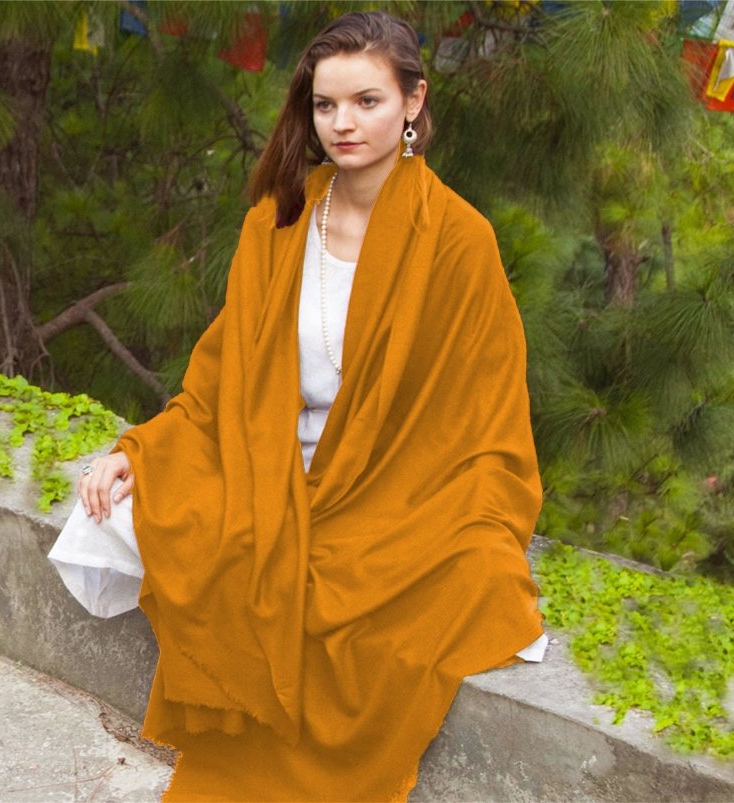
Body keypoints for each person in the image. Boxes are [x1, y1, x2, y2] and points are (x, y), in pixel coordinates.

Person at [50, 11, 547, 801]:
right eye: (325, 106)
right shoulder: (278, 223)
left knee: (426, 594)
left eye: (367, 101)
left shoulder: (459, 240)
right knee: (150, 519)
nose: (343, 123)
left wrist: (474, 514)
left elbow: (484, 419)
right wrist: (138, 450)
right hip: (269, 466)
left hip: (396, 489)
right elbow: (221, 381)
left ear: (414, 102)